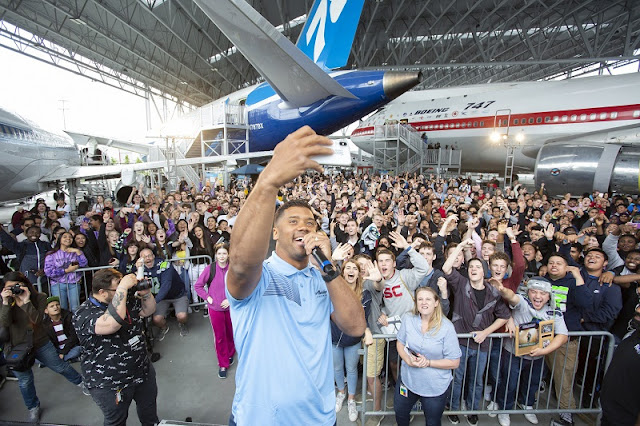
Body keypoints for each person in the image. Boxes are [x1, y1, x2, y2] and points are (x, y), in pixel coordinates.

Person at [225, 126, 366, 426]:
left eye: (311, 222)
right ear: (274, 233)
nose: (304, 227)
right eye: (293, 221)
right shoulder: (260, 277)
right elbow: (239, 264)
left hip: (319, 419)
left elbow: (355, 326)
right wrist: (268, 183)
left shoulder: (323, 278)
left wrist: (328, 268)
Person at [72, 268, 159, 426]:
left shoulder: (125, 300)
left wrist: (146, 293)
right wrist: (123, 288)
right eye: (117, 287)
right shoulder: (83, 313)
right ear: (102, 292)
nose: (123, 290)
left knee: (150, 416)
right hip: (110, 383)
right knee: (116, 422)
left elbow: (149, 310)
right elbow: (111, 324)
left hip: (141, 372)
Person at [1, 272, 86, 423]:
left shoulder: (39, 297)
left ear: (25, 284)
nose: (14, 290)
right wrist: (6, 302)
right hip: (16, 347)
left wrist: (26, 302)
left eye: (17, 286)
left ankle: (81, 382)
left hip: (39, 341)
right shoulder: (3, 301)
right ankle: (33, 407)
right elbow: (5, 323)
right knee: (25, 381)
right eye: (10, 287)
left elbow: (38, 320)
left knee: (60, 366)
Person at [490, 277, 569, 426]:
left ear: (549, 296)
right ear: (529, 292)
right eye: (534, 292)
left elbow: (563, 335)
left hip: (538, 356)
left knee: (532, 382)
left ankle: (526, 404)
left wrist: (545, 351)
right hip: (513, 353)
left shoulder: (554, 310)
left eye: (542, 293)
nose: (537, 296)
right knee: (509, 382)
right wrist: (502, 290)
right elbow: (512, 297)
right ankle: (505, 409)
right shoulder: (523, 303)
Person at [394, 287, 461, 426]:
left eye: (428, 299)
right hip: (408, 380)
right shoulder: (408, 318)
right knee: (400, 413)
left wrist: (428, 362)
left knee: (432, 422)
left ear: (436, 302)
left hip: (434, 387)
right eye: (420, 299)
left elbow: (454, 362)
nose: (424, 302)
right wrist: (407, 360)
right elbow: (400, 343)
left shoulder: (447, 327)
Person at [332, 259, 371, 422]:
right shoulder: (335, 290)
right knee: (338, 368)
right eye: (347, 268)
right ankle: (341, 393)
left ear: (358, 273)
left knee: (352, 369)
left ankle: (351, 399)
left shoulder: (365, 294)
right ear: (342, 272)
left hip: (353, 340)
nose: (350, 270)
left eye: (354, 268)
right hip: (334, 338)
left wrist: (366, 330)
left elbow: (364, 318)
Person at [194, 242, 236, 379]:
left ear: (228, 254)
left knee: (231, 332)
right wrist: (208, 298)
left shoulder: (234, 268)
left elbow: (240, 286)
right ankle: (223, 364)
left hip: (231, 308)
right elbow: (198, 286)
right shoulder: (210, 269)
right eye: (219, 254)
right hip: (215, 309)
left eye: (224, 253)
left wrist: (231, 299)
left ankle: (230, 353)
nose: (222, 256)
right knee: (219, 337)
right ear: (215, 255)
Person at [599, 303, 640, 426]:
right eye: (636, 314)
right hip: (610, 412)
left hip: (626, 418)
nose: (636, 318)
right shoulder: (633, 335)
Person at [138, 248, 190, 338]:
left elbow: (166, 285)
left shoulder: (164, 264)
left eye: (149, 255)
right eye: (144, 257)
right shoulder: (140, 267)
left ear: (154, 256)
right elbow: (136, 281)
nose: (148, 258)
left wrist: (154, 302)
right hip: (161, 298)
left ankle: (182, 324)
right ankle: (164, 327)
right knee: (157, 319)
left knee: (182, 316)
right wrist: (139, 269)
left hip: (177, 295)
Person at [43, 231, 88, 312]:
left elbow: (84, 264)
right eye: (65, 237)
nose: (68, 239)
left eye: (70, 237)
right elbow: (48, 272)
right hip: (57, 284)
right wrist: (66, 270)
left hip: (74, 283)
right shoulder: (51, 254)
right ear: (59, 239)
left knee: (75, 308)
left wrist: (78, 252)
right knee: (61, 308)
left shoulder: (75, 252)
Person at [43, 296, 82, 362]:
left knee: (79, 349)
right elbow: (49, 342)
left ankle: (57, 361)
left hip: (71, 347)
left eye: (57, 305)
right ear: (46, 311)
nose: (56, 307)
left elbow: (73, 337)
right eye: (52, 306)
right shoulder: (45, 324)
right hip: (57, 349)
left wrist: (63, 352)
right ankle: (68, 359)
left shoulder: (68, 317)